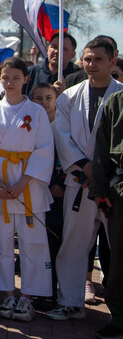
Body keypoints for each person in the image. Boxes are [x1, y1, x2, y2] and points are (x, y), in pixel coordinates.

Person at [49, 37, 122, 321]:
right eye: (87, 59)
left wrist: (104, 171)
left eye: (99, 59)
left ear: (113, 61)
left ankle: (119, 310)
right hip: (79, 182)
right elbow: (62, 136)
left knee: (118, 247)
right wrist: (85, 168)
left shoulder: (122, 95)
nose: (91, 65)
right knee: (74, 243)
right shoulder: (69, 96)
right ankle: (70, 302)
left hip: (114, 185)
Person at [0, 57, 53, 322]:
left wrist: (23, 183)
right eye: (6, 77)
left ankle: (28, 297)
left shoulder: (37, 111)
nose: (10, 83)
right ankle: (8, 293)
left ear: (25, 80)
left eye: (16, 78)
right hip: (1, 182)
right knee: (0, 240)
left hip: (28, 184)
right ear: (0, 78)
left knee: (32, 242)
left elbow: (44, 150)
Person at [90, 90, 123, 339]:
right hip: (121, 192)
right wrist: (100, 191)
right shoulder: (116, 102)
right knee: (120, 259)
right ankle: (120, 318)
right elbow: (102, 149)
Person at [32, 82, 65, 305]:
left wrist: (61, 183)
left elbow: (68, 157)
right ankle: (38, 289)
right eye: (38, 98)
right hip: (36, 189)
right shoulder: (30, 125)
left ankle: (53, 292)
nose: (44, 103)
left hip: (58, 193)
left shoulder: (63, 126)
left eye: (48, 98)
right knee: (37, 242)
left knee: (55, 243)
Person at [23, 32, 79, 97]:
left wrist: (65, 95)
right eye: (54, 47)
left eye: (63, 49)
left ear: (73, 55)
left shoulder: (77, 79)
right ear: (48, 49)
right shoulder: (31, 73)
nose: (57, 51)